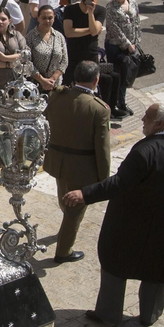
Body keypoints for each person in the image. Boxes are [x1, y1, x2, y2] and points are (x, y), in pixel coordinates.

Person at [63, 102, 164, 327]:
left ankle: (108, 314)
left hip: (129, 222)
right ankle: (149, 315)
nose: (142, 119)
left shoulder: (146, 151)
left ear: (159, 124)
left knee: (115, 265)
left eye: (147, 117)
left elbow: (120, 184)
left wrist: (85, 194)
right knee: (158, 269)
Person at [44, 62, 111, 266]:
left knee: (64, 198)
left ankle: (64, 231)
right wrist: (104, 180)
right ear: (96, 80)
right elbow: (103, 149)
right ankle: (64, 251)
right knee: (75, 210)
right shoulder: (99, 109)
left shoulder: (57, 96)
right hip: (82, 167)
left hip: (57, 161)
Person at [103, 0, 141, 119]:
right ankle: (115, 104)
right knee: (116, 75)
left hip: (131, 46)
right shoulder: (110, 7)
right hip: (115, 46)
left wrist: (136, 42)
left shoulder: (133, 3)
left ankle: (122, 102)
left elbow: (137, 23)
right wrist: (127, 44)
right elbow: (113, 28)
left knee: (127, 75)